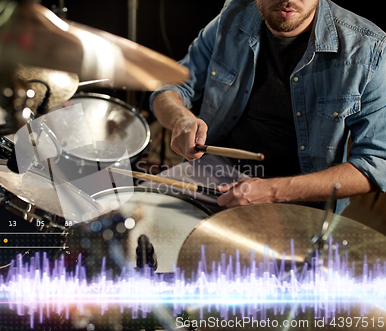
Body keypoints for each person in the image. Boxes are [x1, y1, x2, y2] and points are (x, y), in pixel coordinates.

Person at [149, 0, 386, 214]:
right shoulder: (234, 15)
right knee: (134, 224)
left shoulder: (368, 49)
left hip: (301, 196)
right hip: (216, 171)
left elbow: (376, 165)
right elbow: (169, 87)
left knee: (235, 261)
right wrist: (181, 119)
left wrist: (273, 190)